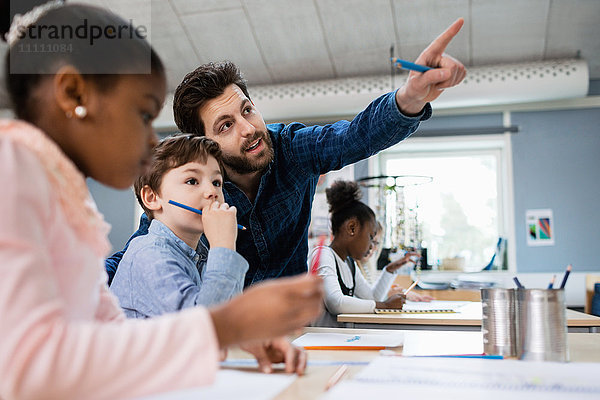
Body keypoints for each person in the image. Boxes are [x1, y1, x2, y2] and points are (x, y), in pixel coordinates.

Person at [0, 3, 323, 399]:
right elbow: (27, 367)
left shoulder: (63, 196)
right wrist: (223, 327)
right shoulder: (12, 168)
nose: (152, 141)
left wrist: (236, 339)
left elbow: (111, 334)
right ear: (72, 94)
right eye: (142, 114)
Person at [105, 19, 467, 287]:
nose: (248, 128)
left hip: (292, 323)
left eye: (247, 110)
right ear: (205, 144)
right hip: (231, 326)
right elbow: (144, 247)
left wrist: (410, 98)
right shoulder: (193, 188)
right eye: (225, 125)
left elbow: (356, 135)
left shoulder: (293, 148)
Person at [110, 134, 249, 318]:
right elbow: (204, 328)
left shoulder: (201, 255)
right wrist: (223, 247)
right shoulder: (149, 255)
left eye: (216, 182)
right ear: (152, 198)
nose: (211, 192)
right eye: (192, 181)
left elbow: (230, 320)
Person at [309, 180, 418, 327]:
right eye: (370, 237)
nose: (371, 245)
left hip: (338, 339)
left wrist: (389, 270)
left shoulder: (349, 264)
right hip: (318, 343)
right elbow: (336, 303)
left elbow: (371, 297)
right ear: (352, 228)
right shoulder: (323, 255)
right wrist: (384, 306)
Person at [356, 221, 434, 302]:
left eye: (376, 243)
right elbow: (366, 300)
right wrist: (387, 295)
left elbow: (370, 296)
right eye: (372, 241)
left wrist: (404, 293)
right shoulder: (351, 267)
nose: (374, 248)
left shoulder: (364, 267)